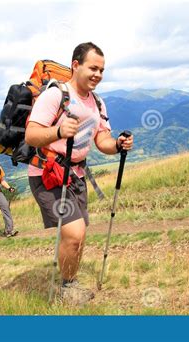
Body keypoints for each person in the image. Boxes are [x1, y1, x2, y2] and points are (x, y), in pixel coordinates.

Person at [25, 42, 134, 304]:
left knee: (79, 234)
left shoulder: (97, 102)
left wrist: (118, 144)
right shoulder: (55, 95)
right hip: (47, 173)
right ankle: (66, 290)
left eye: (102, 70)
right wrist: (59, 132)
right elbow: (32, 134)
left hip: (75, 176)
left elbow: (102, 141)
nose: (98, 74)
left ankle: (69, 283)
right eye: (93, 68)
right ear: (76, 65)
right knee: (74, 234)